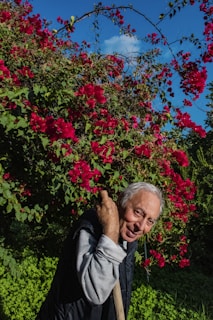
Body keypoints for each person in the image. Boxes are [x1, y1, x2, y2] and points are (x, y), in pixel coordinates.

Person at [36, 182, 163, 320]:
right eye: (138, 212)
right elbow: (96, 293)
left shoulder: (129, 238)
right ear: (120, 201)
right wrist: (110, 233)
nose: (141, 226)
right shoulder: (90, 228)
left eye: (150, 221)